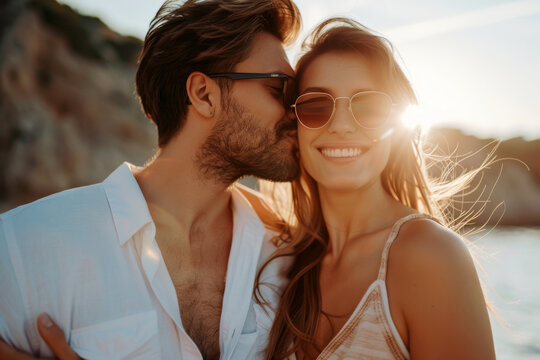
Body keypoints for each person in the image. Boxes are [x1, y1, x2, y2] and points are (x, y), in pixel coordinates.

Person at [0, 0, 301, 359]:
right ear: (204, 95)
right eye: (281, 89)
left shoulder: (286, 254)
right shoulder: (28, 242)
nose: (295, 111)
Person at [257, 18, 496, 359]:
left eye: (367, 107)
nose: (340, 126)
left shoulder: (431, 256)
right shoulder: (285, 262)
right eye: (316, 106)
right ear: (295, 128)